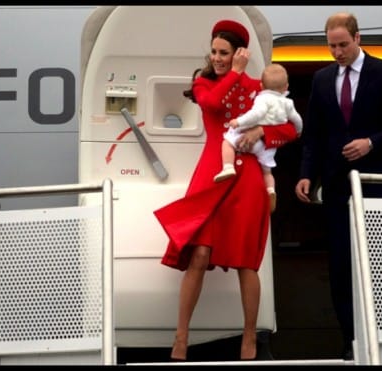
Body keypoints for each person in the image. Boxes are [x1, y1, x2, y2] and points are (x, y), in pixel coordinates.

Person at [153, 19, 299, 361]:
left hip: (247, 178)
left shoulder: (257, 87)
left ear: (239, 53)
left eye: (225, 53)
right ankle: (181, 335)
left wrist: (263, 133)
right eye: (214, 51)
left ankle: (249, 337)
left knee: (247, 261)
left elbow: (291, 129)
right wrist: (234, 73)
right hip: (212, 173)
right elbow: (214, 106)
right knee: (200, 253)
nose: (217, 58)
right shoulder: (204, 81)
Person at [294, 12, 382, 360]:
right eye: (331, 46)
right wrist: (306, 173)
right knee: (340, 268)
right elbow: (314, 135)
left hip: (376, 182)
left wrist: (372, 142)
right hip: (335, 187)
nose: (337, 52)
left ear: (358, 38)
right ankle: (351, 343)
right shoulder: (320, 79)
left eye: (343, 45)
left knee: (379, 266)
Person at [214, 63, 303, 213]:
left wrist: (240, 122)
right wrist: (300, 130)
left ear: (261, 86)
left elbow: (256, 115)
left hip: (250, 144)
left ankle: (228, 166)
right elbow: (297, 120)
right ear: (286, 86)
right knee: (267, 172)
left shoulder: (263, 98)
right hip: (268, 150)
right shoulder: (288, 102)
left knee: (228, 140)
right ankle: (271, 191)